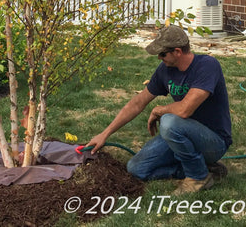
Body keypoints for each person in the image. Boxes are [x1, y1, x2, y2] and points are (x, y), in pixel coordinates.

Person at [87, 25, 232, 195]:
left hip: (213, 141)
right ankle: (206, 169)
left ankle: (198, 176)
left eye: (162, 54)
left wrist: (159, 110)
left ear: (177, 52)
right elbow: (137, 103)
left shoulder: (207, 66)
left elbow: (185, 110)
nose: (158, 57)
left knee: (169, 121)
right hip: (181, 135)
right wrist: (105, 134)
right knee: (136, 168)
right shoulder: (165, 70)